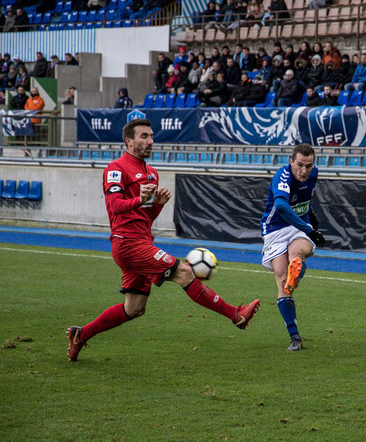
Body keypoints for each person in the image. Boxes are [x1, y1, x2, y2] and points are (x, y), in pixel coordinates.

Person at [66, 119, 261, 362]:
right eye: (144, 136)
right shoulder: (116, 168)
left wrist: (157, 205)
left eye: (151, 136)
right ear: (129, 141)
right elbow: (115, 207)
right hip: (127, 243)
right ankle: (236, 315)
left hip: (142, 240)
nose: (150, 141)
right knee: (185, 273)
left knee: (134, 308)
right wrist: (139, 199)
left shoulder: (151, 173)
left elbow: (144, 219)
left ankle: (81, 335)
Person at [260, 144, 325, 351]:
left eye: (308, 165)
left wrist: (311, 215)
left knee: (297, 253)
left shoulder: (313, 174)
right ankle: (294, 336)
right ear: (291, 162)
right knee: (282, 280)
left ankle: (296, 266)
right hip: (276, 230)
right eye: (299, 165)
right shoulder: (282, 177)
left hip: (299, 228)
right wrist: (309, 228)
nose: (304, 170)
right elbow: (281, 206)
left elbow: (304, 198)